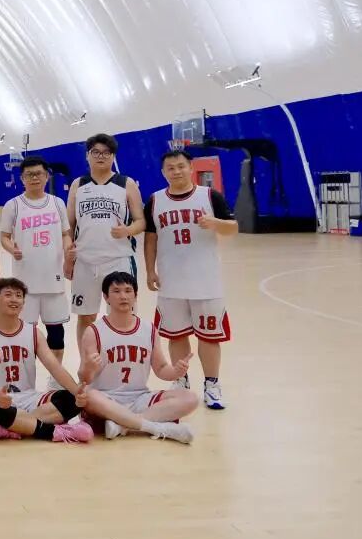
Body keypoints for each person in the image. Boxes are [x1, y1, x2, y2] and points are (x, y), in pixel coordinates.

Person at [144, 149, 239, 410]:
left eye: (181, 166)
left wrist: (215, 223)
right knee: (176, 335)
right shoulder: (155, 200)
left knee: (209, 337)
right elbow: (150, 238)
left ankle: (212, 385)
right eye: (170, 168)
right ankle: (181, 381)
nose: (176, 171)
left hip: (205, 282)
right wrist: (150, 270)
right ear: (163, 172)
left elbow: (233, 228)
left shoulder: (209, 196)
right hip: (171, 282)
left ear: (190, 168)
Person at [75, 272, 197, 444]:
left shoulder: (149, 329)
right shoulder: (93, 331)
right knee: (89, 395)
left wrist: (176, 372)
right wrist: (89, 368)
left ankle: (122, 425)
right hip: (106, 399)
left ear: (136, 296)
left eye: (128, 291)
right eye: (116, 291)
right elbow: (84, 379)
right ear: (106, 297)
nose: (123, 296)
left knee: (190, 398)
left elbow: (161, 369)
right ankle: (154, 427)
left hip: (139, 398)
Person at [0, 278, 94, 443]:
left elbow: (55, 368)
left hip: (29, 398)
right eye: (8, 295)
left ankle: (10, 427)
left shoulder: (33, 332)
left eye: (19, 295)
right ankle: (54, 432)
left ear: (23, 302)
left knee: (71, 400)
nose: (14, 299)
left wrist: (77, 392)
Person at [65, 133, 145, 345]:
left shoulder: (126, 183)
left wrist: (127, 230)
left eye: (106, 153)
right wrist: (68, 259)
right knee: (86, 316)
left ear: (113, 156)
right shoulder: (78, 184)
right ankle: (87, 360)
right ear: (87, 156)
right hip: (85, 261)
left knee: (123, 314)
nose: (101, 156)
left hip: (118, 259)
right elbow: (69, 226)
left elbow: (141, 221)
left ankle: (120, 359)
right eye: (96, 152)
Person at [0, 156, 73, 365]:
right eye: (29, 175)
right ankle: (25, 373)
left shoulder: (57, 203)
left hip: (53, 279)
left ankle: (55, 375)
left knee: (56, 331)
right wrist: (11, 248)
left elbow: (66, 234)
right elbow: (4, 237)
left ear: (46, 176)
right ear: (22, 178)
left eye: (38, 174)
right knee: (24, 332)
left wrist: (67, 248)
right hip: (25, 282)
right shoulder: (13, 206)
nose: (34, 178)